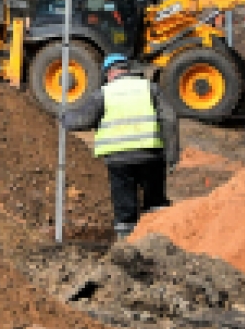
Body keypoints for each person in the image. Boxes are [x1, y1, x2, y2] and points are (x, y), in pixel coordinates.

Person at [61, 53, 180, 241]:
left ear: (109, 73)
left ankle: (127, 242)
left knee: (125, 205)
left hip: (119, 160)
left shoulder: (104, 93)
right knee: (155, 202)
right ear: (128, 69)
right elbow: (170, 119)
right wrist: (171, 155)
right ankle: (162, 241)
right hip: (150, 155)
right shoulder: (150, 88)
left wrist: (65, 117)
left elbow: (81, 120)